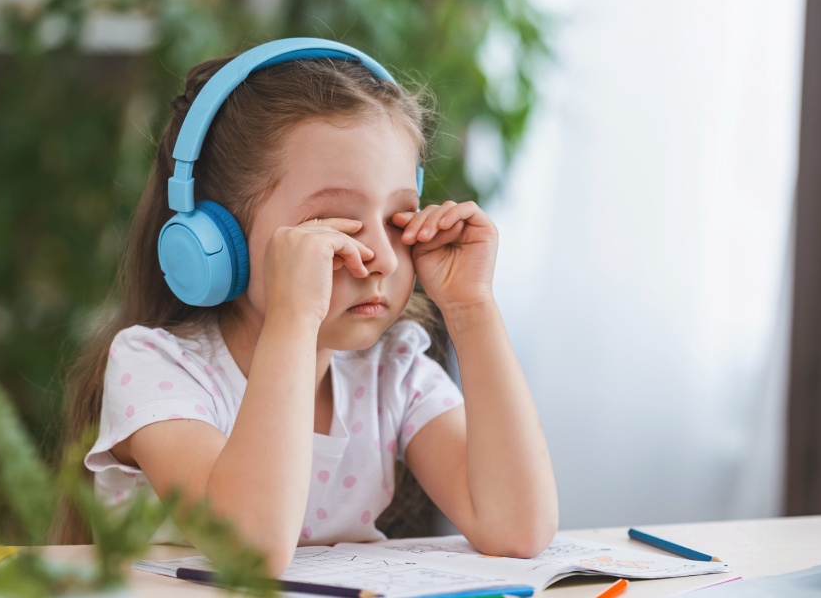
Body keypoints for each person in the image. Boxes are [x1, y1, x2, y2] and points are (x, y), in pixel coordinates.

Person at [58, 41, 558, 576]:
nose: (384, 259)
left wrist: (470, 307)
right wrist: (294, 319)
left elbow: (515, 527)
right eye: (334, 226)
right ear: (215, 243)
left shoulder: (392, 372)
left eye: (397, 220)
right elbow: (249, 551)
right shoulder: (157, 369)